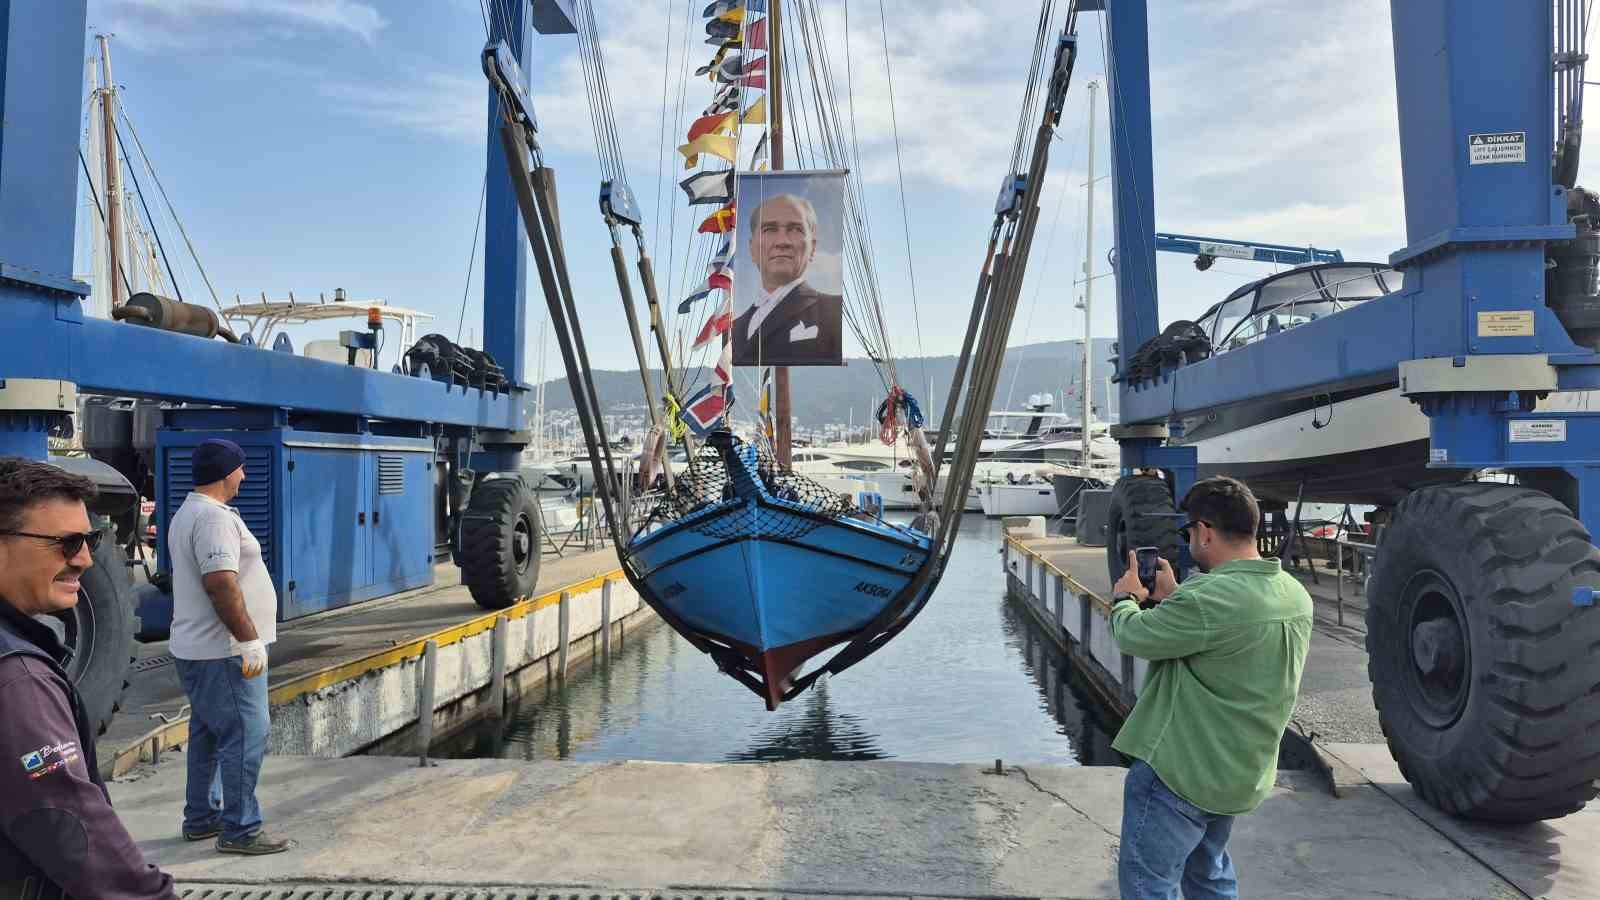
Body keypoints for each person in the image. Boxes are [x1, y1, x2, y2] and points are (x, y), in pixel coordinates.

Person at [1108, 475, 1312, 899]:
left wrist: (1125, 598)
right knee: (1210, 879)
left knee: (1149, 886)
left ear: (1204, 531)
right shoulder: (1293, 594)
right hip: (1236, 773)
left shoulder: (1207, 600)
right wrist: (1173, 597)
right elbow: (1222, 637)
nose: (1189, 540)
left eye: (1188, 531)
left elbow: (1134, 636)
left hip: (1180, 774)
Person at [0, 456, 177, 898]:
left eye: (91, 540)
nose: (84, 559)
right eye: (67, 543)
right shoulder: (18, 680)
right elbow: (69, 822)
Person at [167, 439, 289, 856]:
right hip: (224, 652)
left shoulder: (191, 513)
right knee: (246, 733)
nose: (244, 476)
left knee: (207, 734)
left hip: (200, 649)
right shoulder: (213, 519)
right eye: (240, 469)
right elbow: (220, 582)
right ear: (224, 473)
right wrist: (249, 640)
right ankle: (240, 828)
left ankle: (201, 817)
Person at [730, 192, 844, 366]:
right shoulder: (735, 328)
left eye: (795, 229)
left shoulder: (834, 311)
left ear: (812, 248)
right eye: (769, 229)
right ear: (752, 249)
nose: (782, 241)